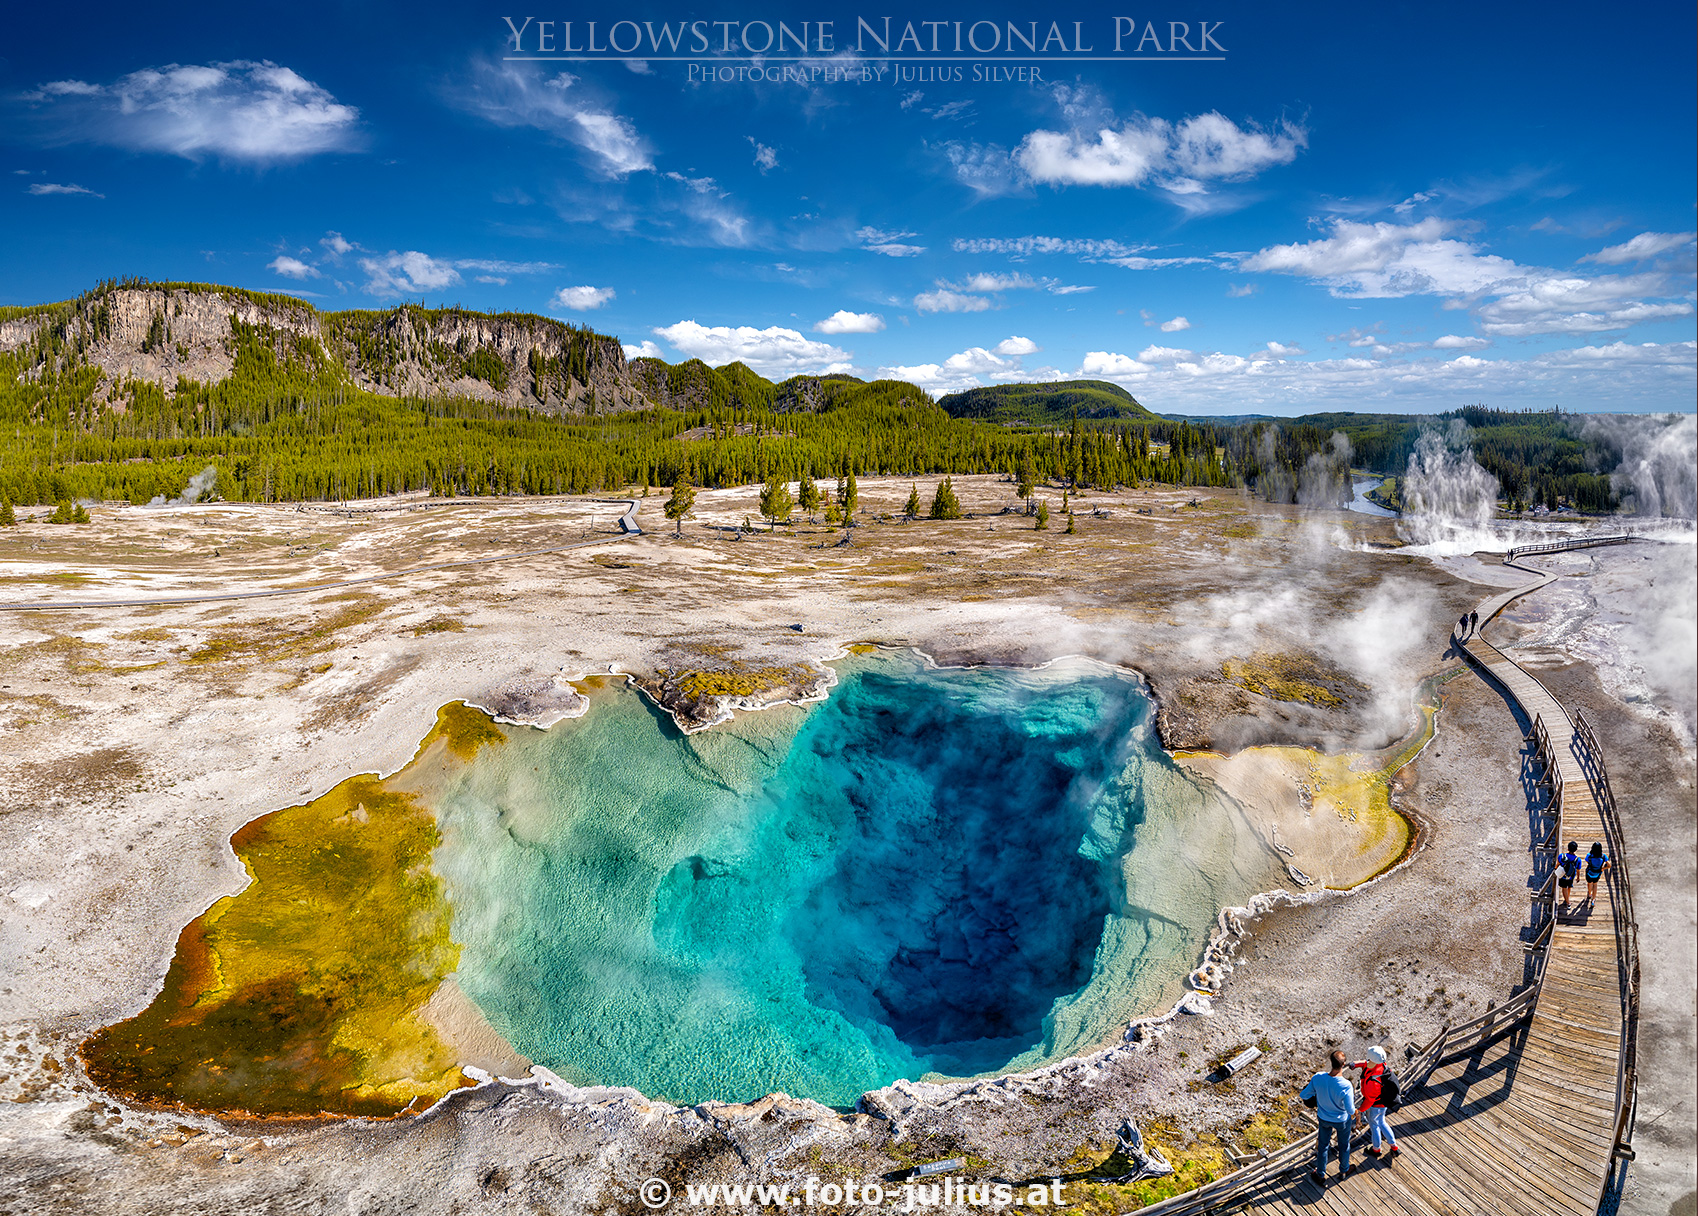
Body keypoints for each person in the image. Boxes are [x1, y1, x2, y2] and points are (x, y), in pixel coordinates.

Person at [1301, 1049, 1356, 1185]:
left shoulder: (1318, 1077)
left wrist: (1316, 1099)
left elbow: (1304, 1095)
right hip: (1341, 1120)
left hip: (1323, 1118)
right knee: (1344, 1145)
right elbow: (1350, 1109)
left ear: (1330, 1062)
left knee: (1323, 1146)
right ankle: (1344, 1170)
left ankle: (1320, 1174)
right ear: (1343, 1064)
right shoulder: (1346, 1085)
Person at [1352, 1046, 1401, 1159]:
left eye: (1369, 1058)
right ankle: (1394, 1146)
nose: (1367, 1060)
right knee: (1382, 1122)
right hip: (1383, 1103)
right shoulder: (1381, 1066)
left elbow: (1369, 1100)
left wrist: (1359, 1110)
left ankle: (1376, 1149)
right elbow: (1366, 1063)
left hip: (1375, 1106)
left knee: (1374, 1127)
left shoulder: (1373, 1082)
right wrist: (1355, 1064)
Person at [1556, 841, 1582, 910]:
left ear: (1568, 849)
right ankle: (1567, 898)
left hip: (1563, 876)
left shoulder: (1561, 856)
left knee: (1564, 888)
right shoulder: (1578, 860)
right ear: (1576, 850)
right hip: (1570, 877)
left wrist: (1555, 868)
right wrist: (1578, 877)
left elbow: (1558, 863)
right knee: (1569, 887)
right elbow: (1578, 870)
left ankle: (1568, 902)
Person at [1584, 842, 1611, 907]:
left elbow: (1587, 861)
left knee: (1589, 883)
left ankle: (1589, 894)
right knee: (1595, 884)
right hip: (1597, 873)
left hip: (1590, 872)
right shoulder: (1603, 856)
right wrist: (1603, 868)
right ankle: (1593, 900)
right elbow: (1609, 865)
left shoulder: (1589, 855)